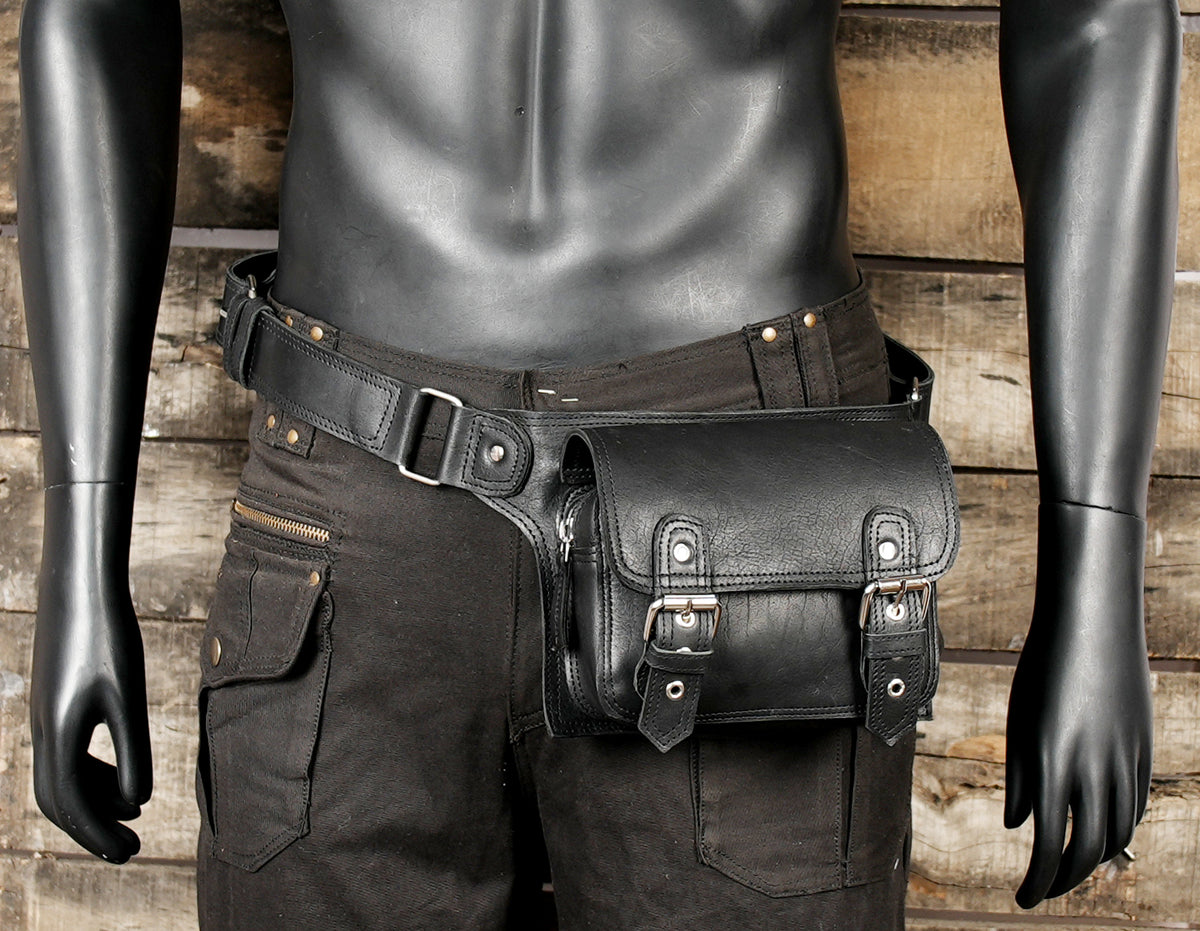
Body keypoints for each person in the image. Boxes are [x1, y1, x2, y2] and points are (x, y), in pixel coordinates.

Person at [17, 0, 1180, 926]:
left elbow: (1091, 19)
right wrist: (79, 548)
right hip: (356, 494)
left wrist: (1097, 561)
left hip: (748, 515)